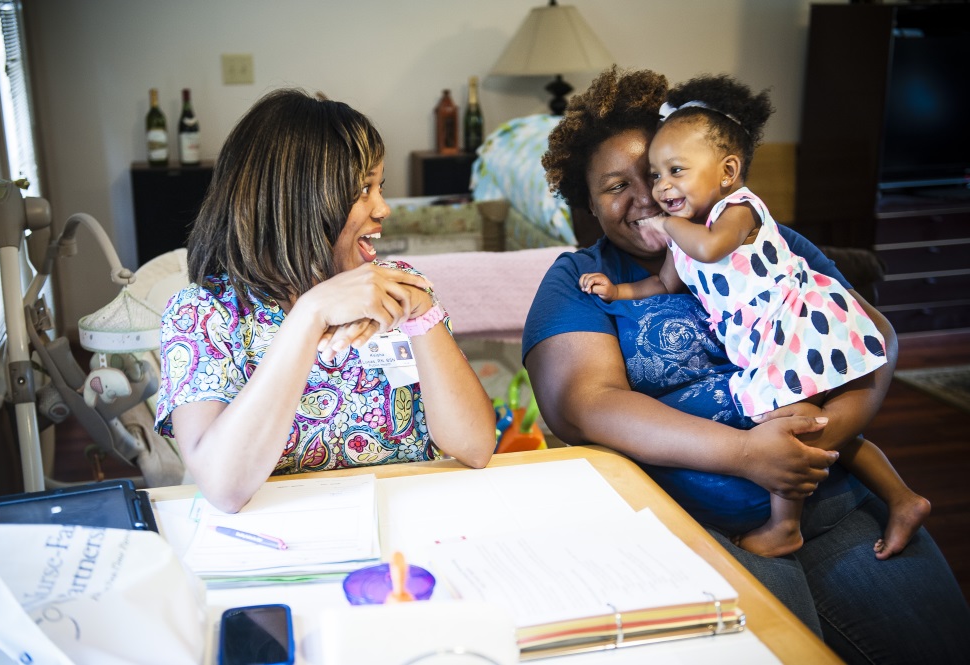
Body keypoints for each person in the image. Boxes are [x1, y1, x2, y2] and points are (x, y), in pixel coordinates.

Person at [524, 66, 970, 663]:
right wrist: (746, 454)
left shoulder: (757, 239)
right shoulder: (580, 280)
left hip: (828, 499)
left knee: (942, 645)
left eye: (661, 173)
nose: (651, 195)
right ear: (588, 204)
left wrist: (804, 451)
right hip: (692, 523)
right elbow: (584, 406)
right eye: (616, 185)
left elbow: (873, 340)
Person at [577, 74, 930, 559]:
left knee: (792, 423)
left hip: (793, 330)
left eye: (672, 172)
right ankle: (903, 497)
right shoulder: (675, 244)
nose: (656, 191)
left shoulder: (736, 212)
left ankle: (785, 527)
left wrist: (668, 225)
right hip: (764, 345)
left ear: (727, 171)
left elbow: (711, 247)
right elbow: (661, 284)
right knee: (812, 427)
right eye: (652, 177)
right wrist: (615, 290)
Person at [154, 89, 495, 513]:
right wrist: (310, 314)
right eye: (363, 190)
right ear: (295, 201)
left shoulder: (397, 288)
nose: (384, 208)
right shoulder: (203, 314)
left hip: (414, 518)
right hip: (283, 539)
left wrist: (423, 313)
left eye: (379, 187)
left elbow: (476, 448)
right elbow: (224, 487)